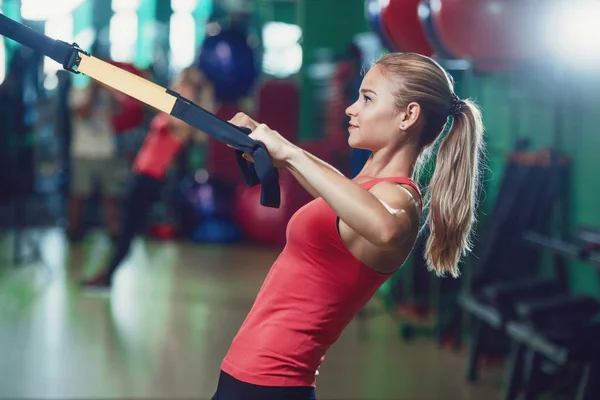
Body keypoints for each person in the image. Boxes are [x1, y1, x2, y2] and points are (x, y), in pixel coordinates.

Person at [211, 52, 485, 399]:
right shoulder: (361, 189)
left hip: (271, 384)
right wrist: (279, 152)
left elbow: (385, 227)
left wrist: (291, 154)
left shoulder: (400, 200)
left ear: (408, 115)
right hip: (252, 376)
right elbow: (338, 191)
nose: (350, 109)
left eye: (367, 98)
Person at [81, 66, 215, 289]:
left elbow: (150, 101)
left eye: (183, 85)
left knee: (127, 231)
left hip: (149, 179)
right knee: (127, 230)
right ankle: (107, 275)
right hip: (142, 176)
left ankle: (107, 276)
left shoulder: (182, 120)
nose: (177, 88)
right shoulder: (175, 113)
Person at [67, 80, 121, 242]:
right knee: (79, 193)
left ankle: (113, 231)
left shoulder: (108, 93)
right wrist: (93, 91)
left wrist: (110, 92)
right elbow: (83, 114)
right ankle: (74, 230)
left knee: (110, 194)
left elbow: (119, 110)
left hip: (106, 151)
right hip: (83, 151)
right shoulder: (77, 92)